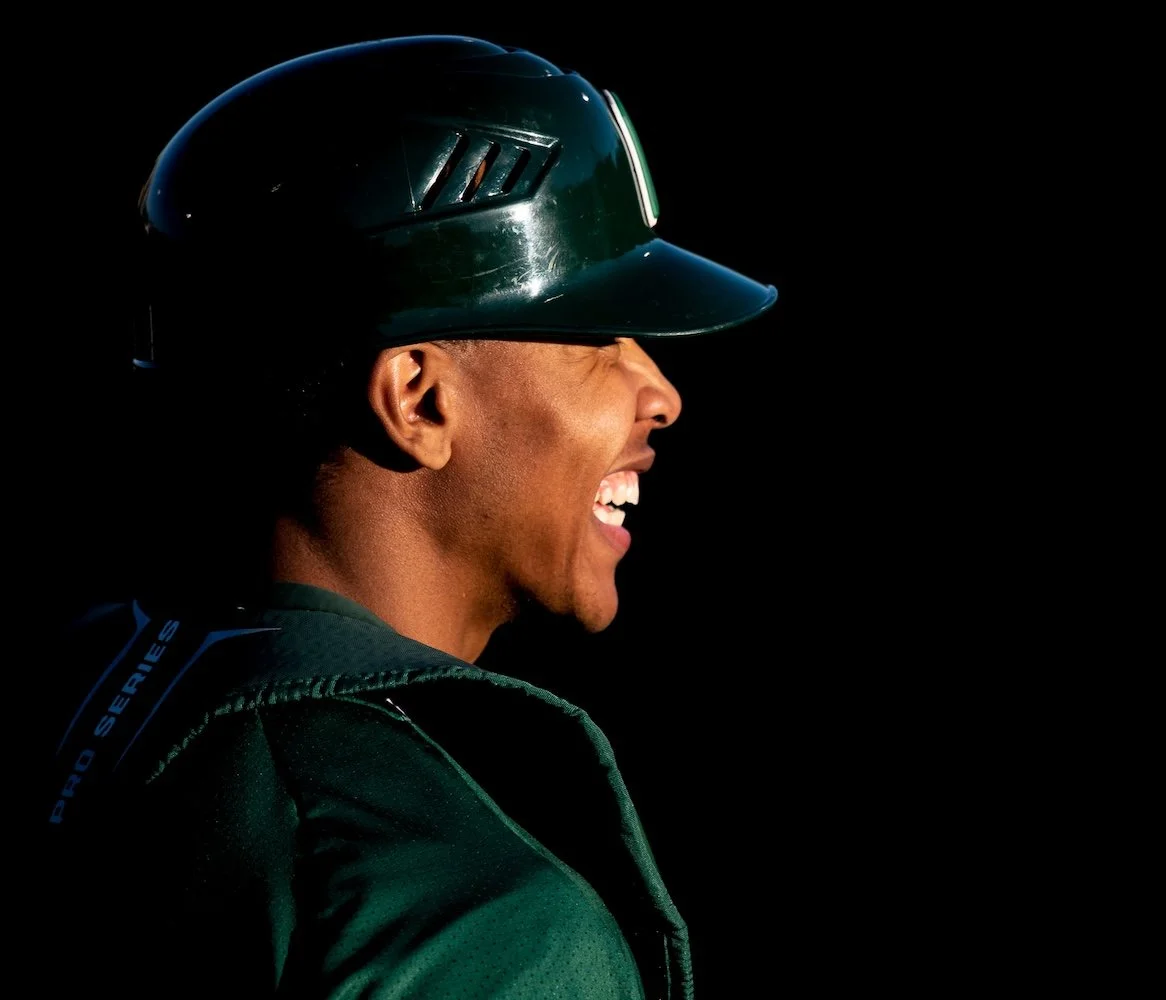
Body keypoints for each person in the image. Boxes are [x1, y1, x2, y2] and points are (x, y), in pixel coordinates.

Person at [38, 35, 775, 999]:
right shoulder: (483, 926)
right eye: (597, 335)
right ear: (418, 401)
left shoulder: (74, 685)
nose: (662, 393)